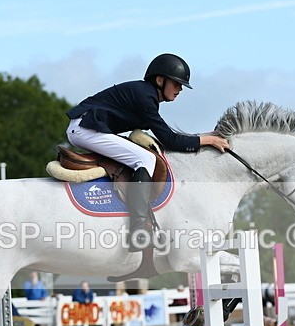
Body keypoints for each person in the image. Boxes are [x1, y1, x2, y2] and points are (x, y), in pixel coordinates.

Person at [66, 53, 231, 251]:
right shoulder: (146, 96)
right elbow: (169, 139)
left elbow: (167, 136)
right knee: (145, 159)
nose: (180, 90)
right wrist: (207, 140)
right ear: (160, 80)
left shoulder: (147, 95)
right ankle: (138, 231)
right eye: (177, 84)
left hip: (88, 127)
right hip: (86, 129)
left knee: (142, 156)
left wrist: (203, 137)